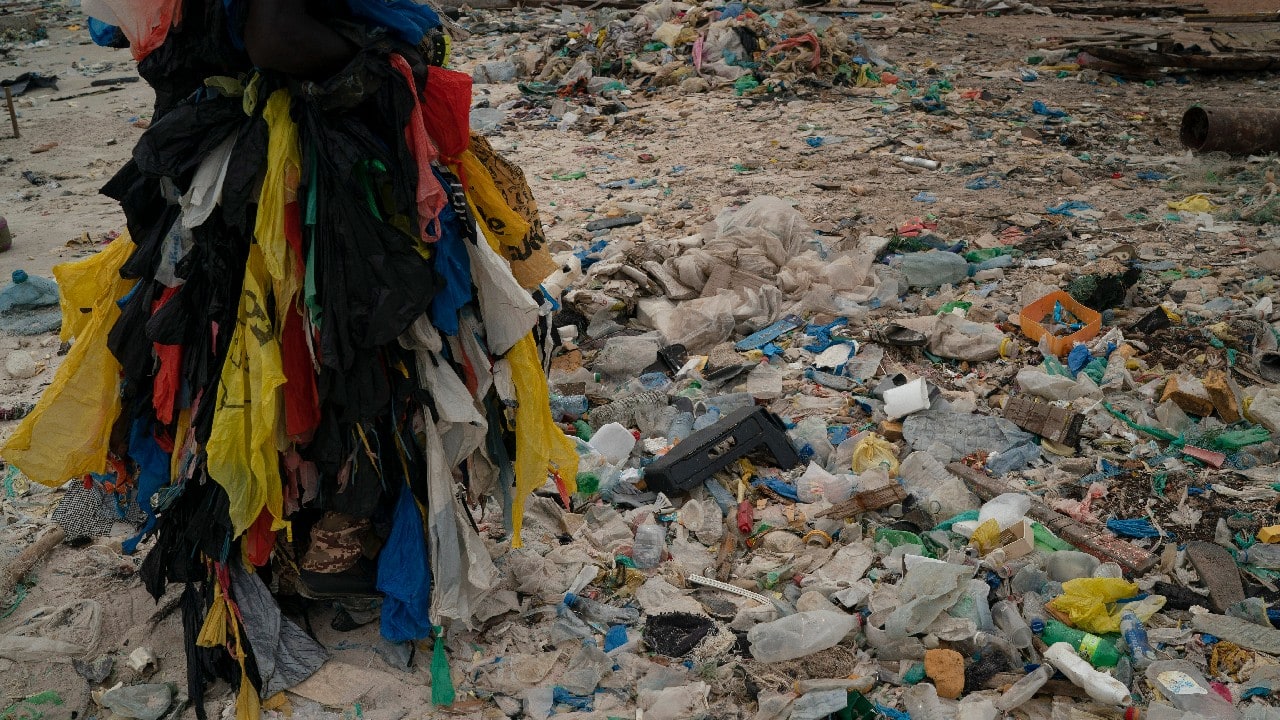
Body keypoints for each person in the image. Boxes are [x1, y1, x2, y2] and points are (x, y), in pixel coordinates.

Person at [3, 0, 578, 716]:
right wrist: (375, 62)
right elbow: (276, 32)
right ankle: (330, 544)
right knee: (331, 357)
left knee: (256, 369)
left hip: (227, 174)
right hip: (303, 182)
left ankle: (283, 540)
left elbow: (162, 48)